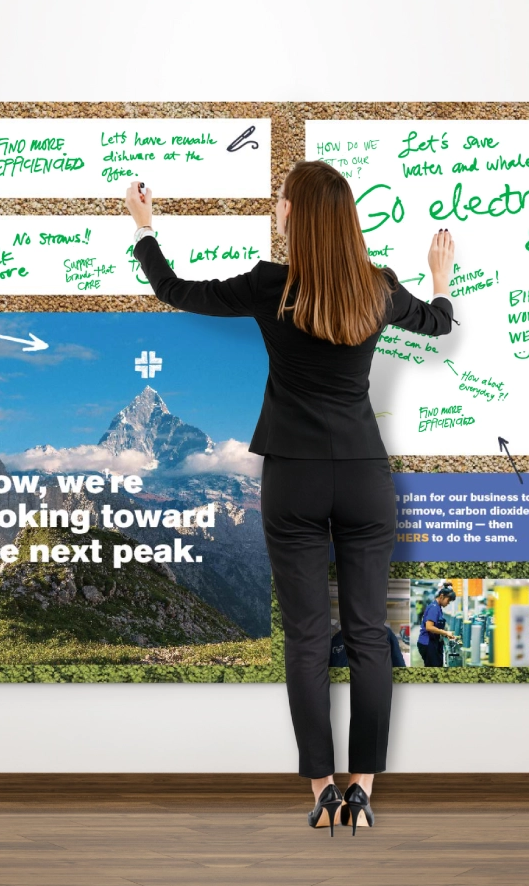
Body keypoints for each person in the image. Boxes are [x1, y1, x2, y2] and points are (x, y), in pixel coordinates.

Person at [125, 162, 454, 833]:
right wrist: (440, 277)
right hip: (363, 473)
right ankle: (363, 788)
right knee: (368, 636)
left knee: (306, 639)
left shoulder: (269, 284)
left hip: (294, 477)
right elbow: (438, 324)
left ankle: (321, 790)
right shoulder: (380, 288)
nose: (276, 207)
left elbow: (174, 290)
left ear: (295, 216)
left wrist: (144, 230)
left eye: (281, 200)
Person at [417, 583, 460, 668]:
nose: (448, 603)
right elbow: (429, 627)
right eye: (448, 600)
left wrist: (445, 633)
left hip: (432, 642)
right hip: (427, 643)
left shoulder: (438, 607)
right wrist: (445, 633)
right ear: (441, 596)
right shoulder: (434, 608)